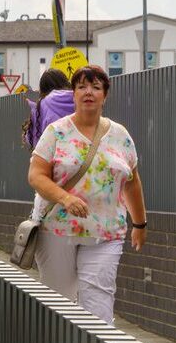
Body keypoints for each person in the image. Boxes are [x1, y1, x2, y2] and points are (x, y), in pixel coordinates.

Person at [27, 64, 147, 324]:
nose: (88, 92)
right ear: (73, 94)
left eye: (95, 86)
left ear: (105, 95)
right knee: (57, 303)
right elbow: (36, 176)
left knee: (99, 306)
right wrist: (65, 198)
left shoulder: (120, 136)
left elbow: (132, 182)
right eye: (81, 86)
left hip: (105, 232)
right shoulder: (56, 132)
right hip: (56, 230)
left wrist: (139, 223)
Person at [22, 68, 74, 148]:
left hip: (51, 156)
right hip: (79, 154)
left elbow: (34, 138)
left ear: (43, 88)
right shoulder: (79, 100)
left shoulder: (42, 106)